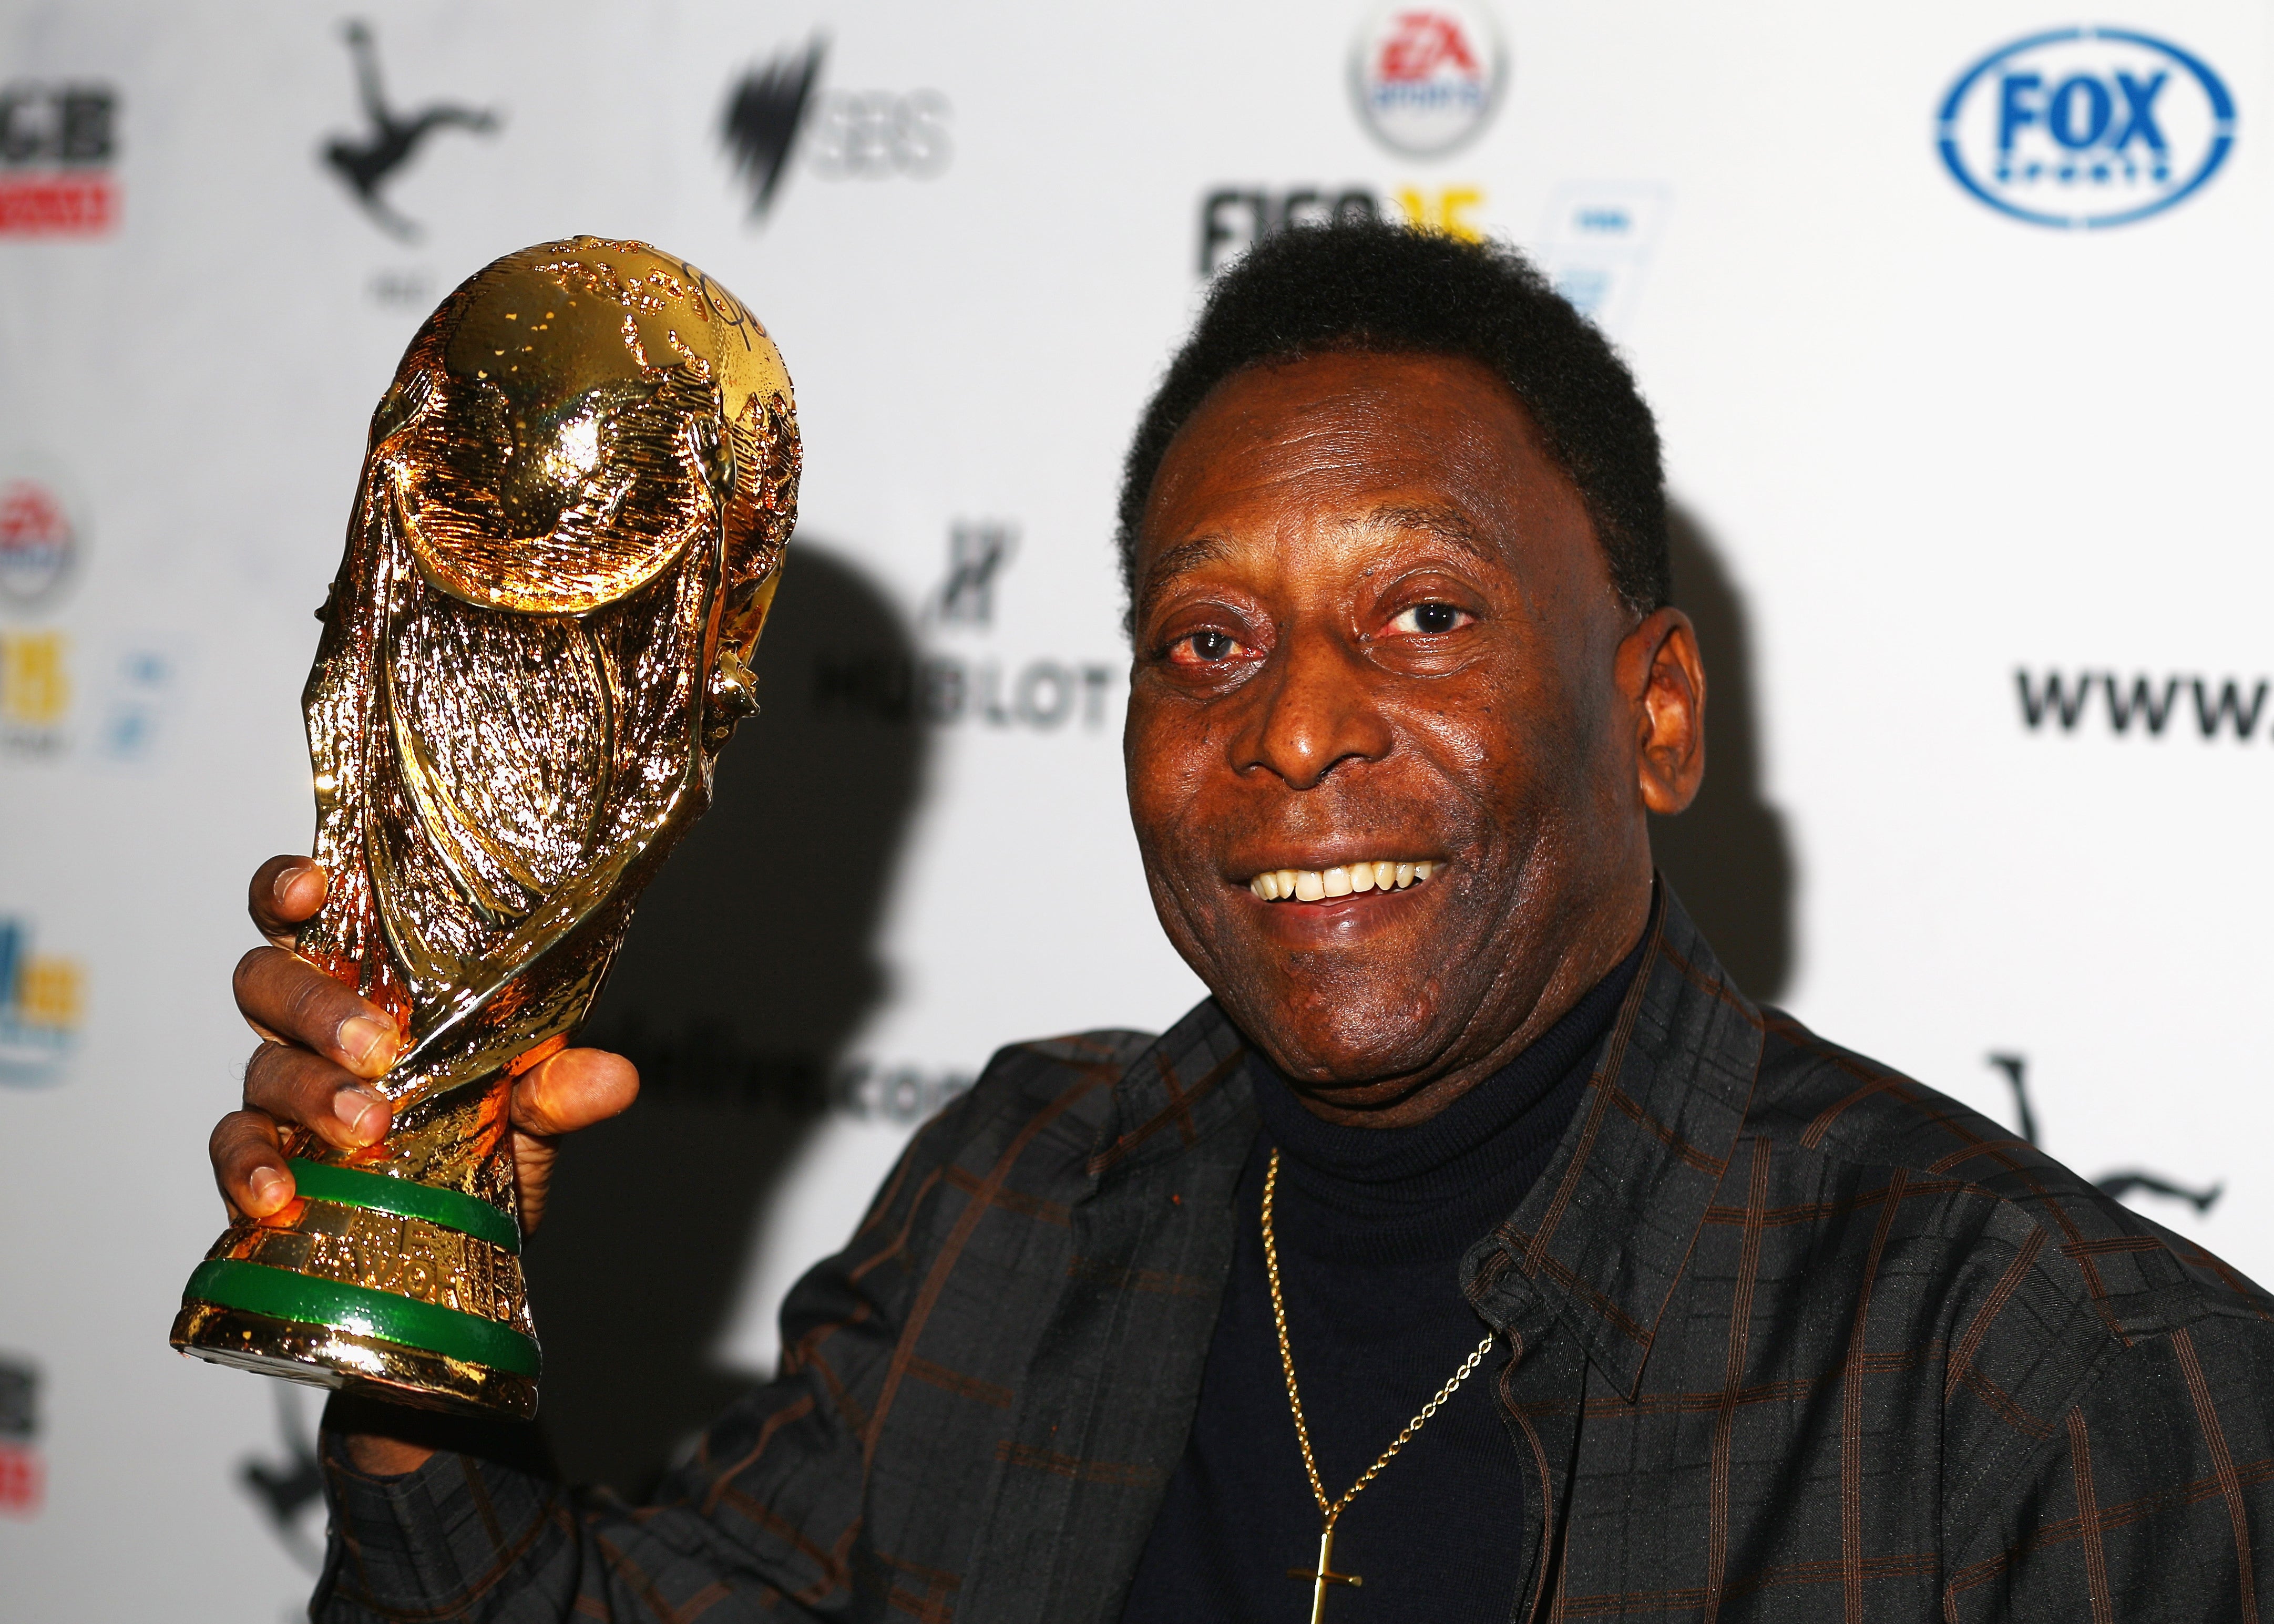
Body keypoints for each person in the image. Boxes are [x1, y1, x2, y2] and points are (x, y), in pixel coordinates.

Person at [212, 222, 2274, 1622]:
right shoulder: (1018, 1198)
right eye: (1206, 635)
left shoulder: (2051, 1378)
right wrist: (421, 1317)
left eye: (1421, 614)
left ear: (1651, 712)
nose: (1288, 723)